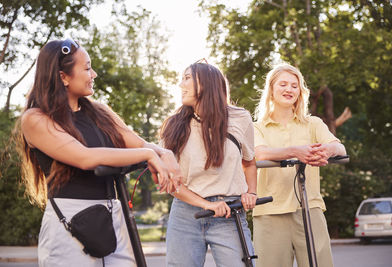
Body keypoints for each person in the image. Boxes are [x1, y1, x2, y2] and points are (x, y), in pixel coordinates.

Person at [18, 38, 181, 267]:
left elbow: (137, 142)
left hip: (113, 215)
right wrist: (149, 156)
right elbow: (85, 157)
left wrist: (166, 154)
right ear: (63, 77)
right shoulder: (35, 119)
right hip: (69, 222)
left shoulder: (99, 112)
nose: (93, 74)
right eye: (86, 68)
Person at [160, 60, 258, 267]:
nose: (181, 84)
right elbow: (172, 184)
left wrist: (252, 192)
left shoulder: (240, 118)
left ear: (206, 83)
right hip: (186, 214)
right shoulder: (174, 126)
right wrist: (208, 205)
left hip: (230, 213)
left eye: (187, 78)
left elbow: (249, 162)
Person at [252, 63, 346, 267]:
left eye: (294, 86)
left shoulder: (313, 124)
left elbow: (340, 148)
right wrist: (296, 151)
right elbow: (260, 154)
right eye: (283, 84)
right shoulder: (256, 127)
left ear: (300, 91)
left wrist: (326, 150)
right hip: (269, 211)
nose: (289, 89)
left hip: (310, 207)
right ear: (271, 90)